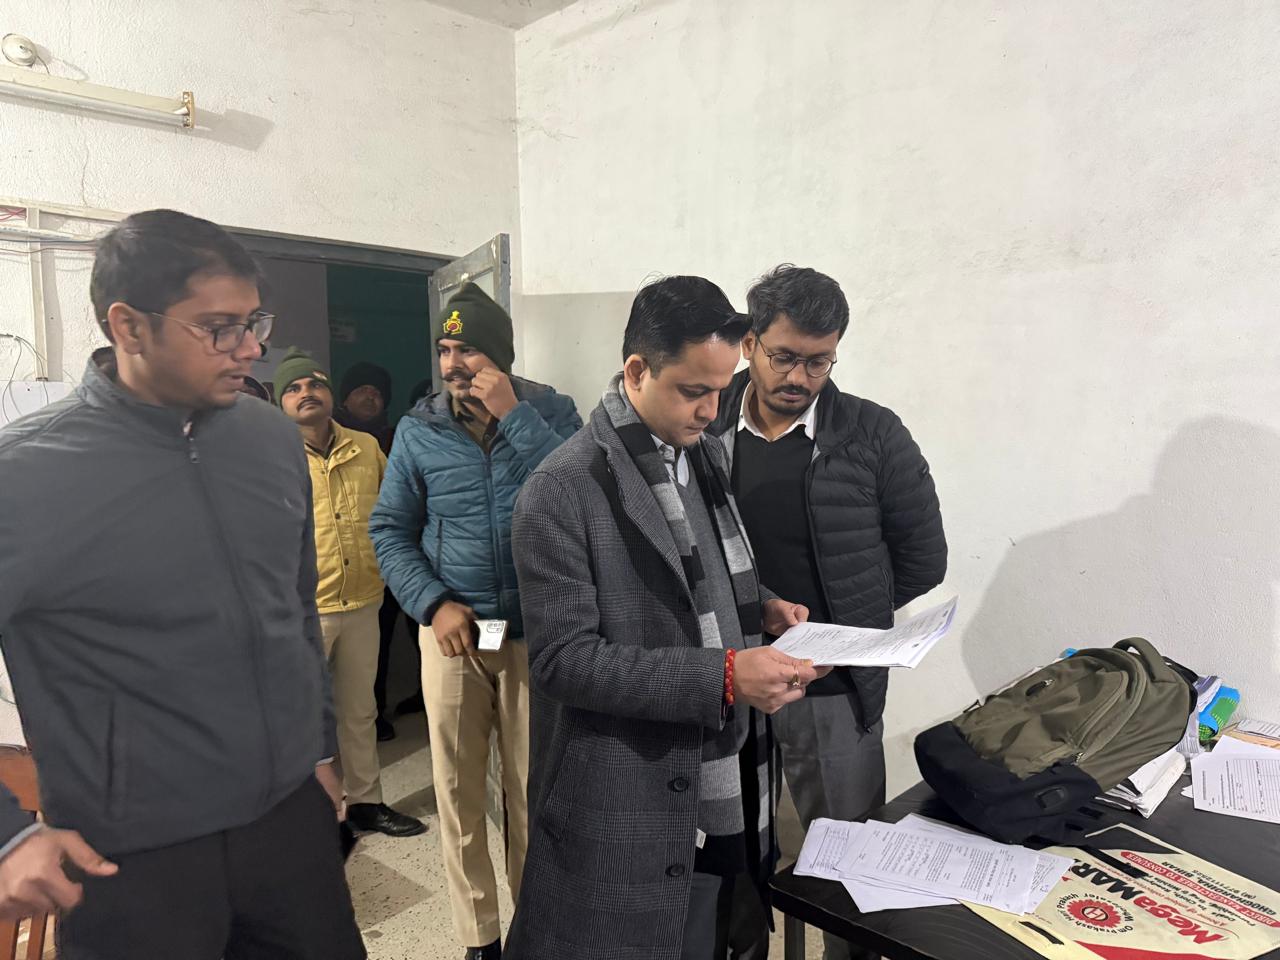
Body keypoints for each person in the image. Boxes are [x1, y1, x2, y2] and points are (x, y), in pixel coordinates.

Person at [0, 209, 365, 959]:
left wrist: (318, 755)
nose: (252, 348)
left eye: (253, 322)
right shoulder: (24, 476)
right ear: (129, 326)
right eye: (220, 328)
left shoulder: (270, 441)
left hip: (288, 825)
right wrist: (5, 836)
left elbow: (294, 613)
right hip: (132, 853)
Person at [507, 276, 829, 960]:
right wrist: (724, 676)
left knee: (717, 929)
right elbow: (564, 661)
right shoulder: (563, 489)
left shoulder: (699, 453)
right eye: (692, 390)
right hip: (632, 782)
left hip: (727, 769)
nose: (712, 410)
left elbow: (701, 575)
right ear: (636, 371)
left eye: (722, 389)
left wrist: (761, 604)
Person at [710, 264, 947, 960]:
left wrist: (846, 625)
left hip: (833, 687)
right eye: (784, 357)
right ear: (750, 344)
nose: (800, 377)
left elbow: (922, 558)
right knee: (734, 852)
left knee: (847, 866)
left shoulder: (872, 433)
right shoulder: (708, 423)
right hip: (727, 674)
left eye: (819, 362)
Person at [370, 282, 581, 960]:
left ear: (501, 356)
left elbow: (581, 499)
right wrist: (433, 604)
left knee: (531, 793)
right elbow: (390, 530)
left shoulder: (553, 412)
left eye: (468, 349)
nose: (454, 364)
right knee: (459, 792)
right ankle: (478, 938)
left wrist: (514, 415)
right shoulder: (419, 429)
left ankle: (533, 927)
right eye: (444, 350)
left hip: (534, 637)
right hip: (455, 638)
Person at [275, 347, 427, 838]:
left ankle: (366, 803)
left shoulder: (365, 446)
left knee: (360, 711)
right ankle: (308, 814)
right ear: (280, 402)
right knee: (300, 717)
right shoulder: (269, 456)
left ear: (330, 393)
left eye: (314, 384)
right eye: (293, 388)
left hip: (364, 600)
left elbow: (397, 511)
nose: (306, 393)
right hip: (303, 611)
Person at [333, 360, 415, 741]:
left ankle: (423, 697)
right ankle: (374, 713)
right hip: (353, 567)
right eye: (361, 390)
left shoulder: (398, 438)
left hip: (401, 556)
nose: (370, 396)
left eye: (377, 392)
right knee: (369, 647)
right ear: (345, 398)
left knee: (411, 634)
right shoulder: (329, 439)